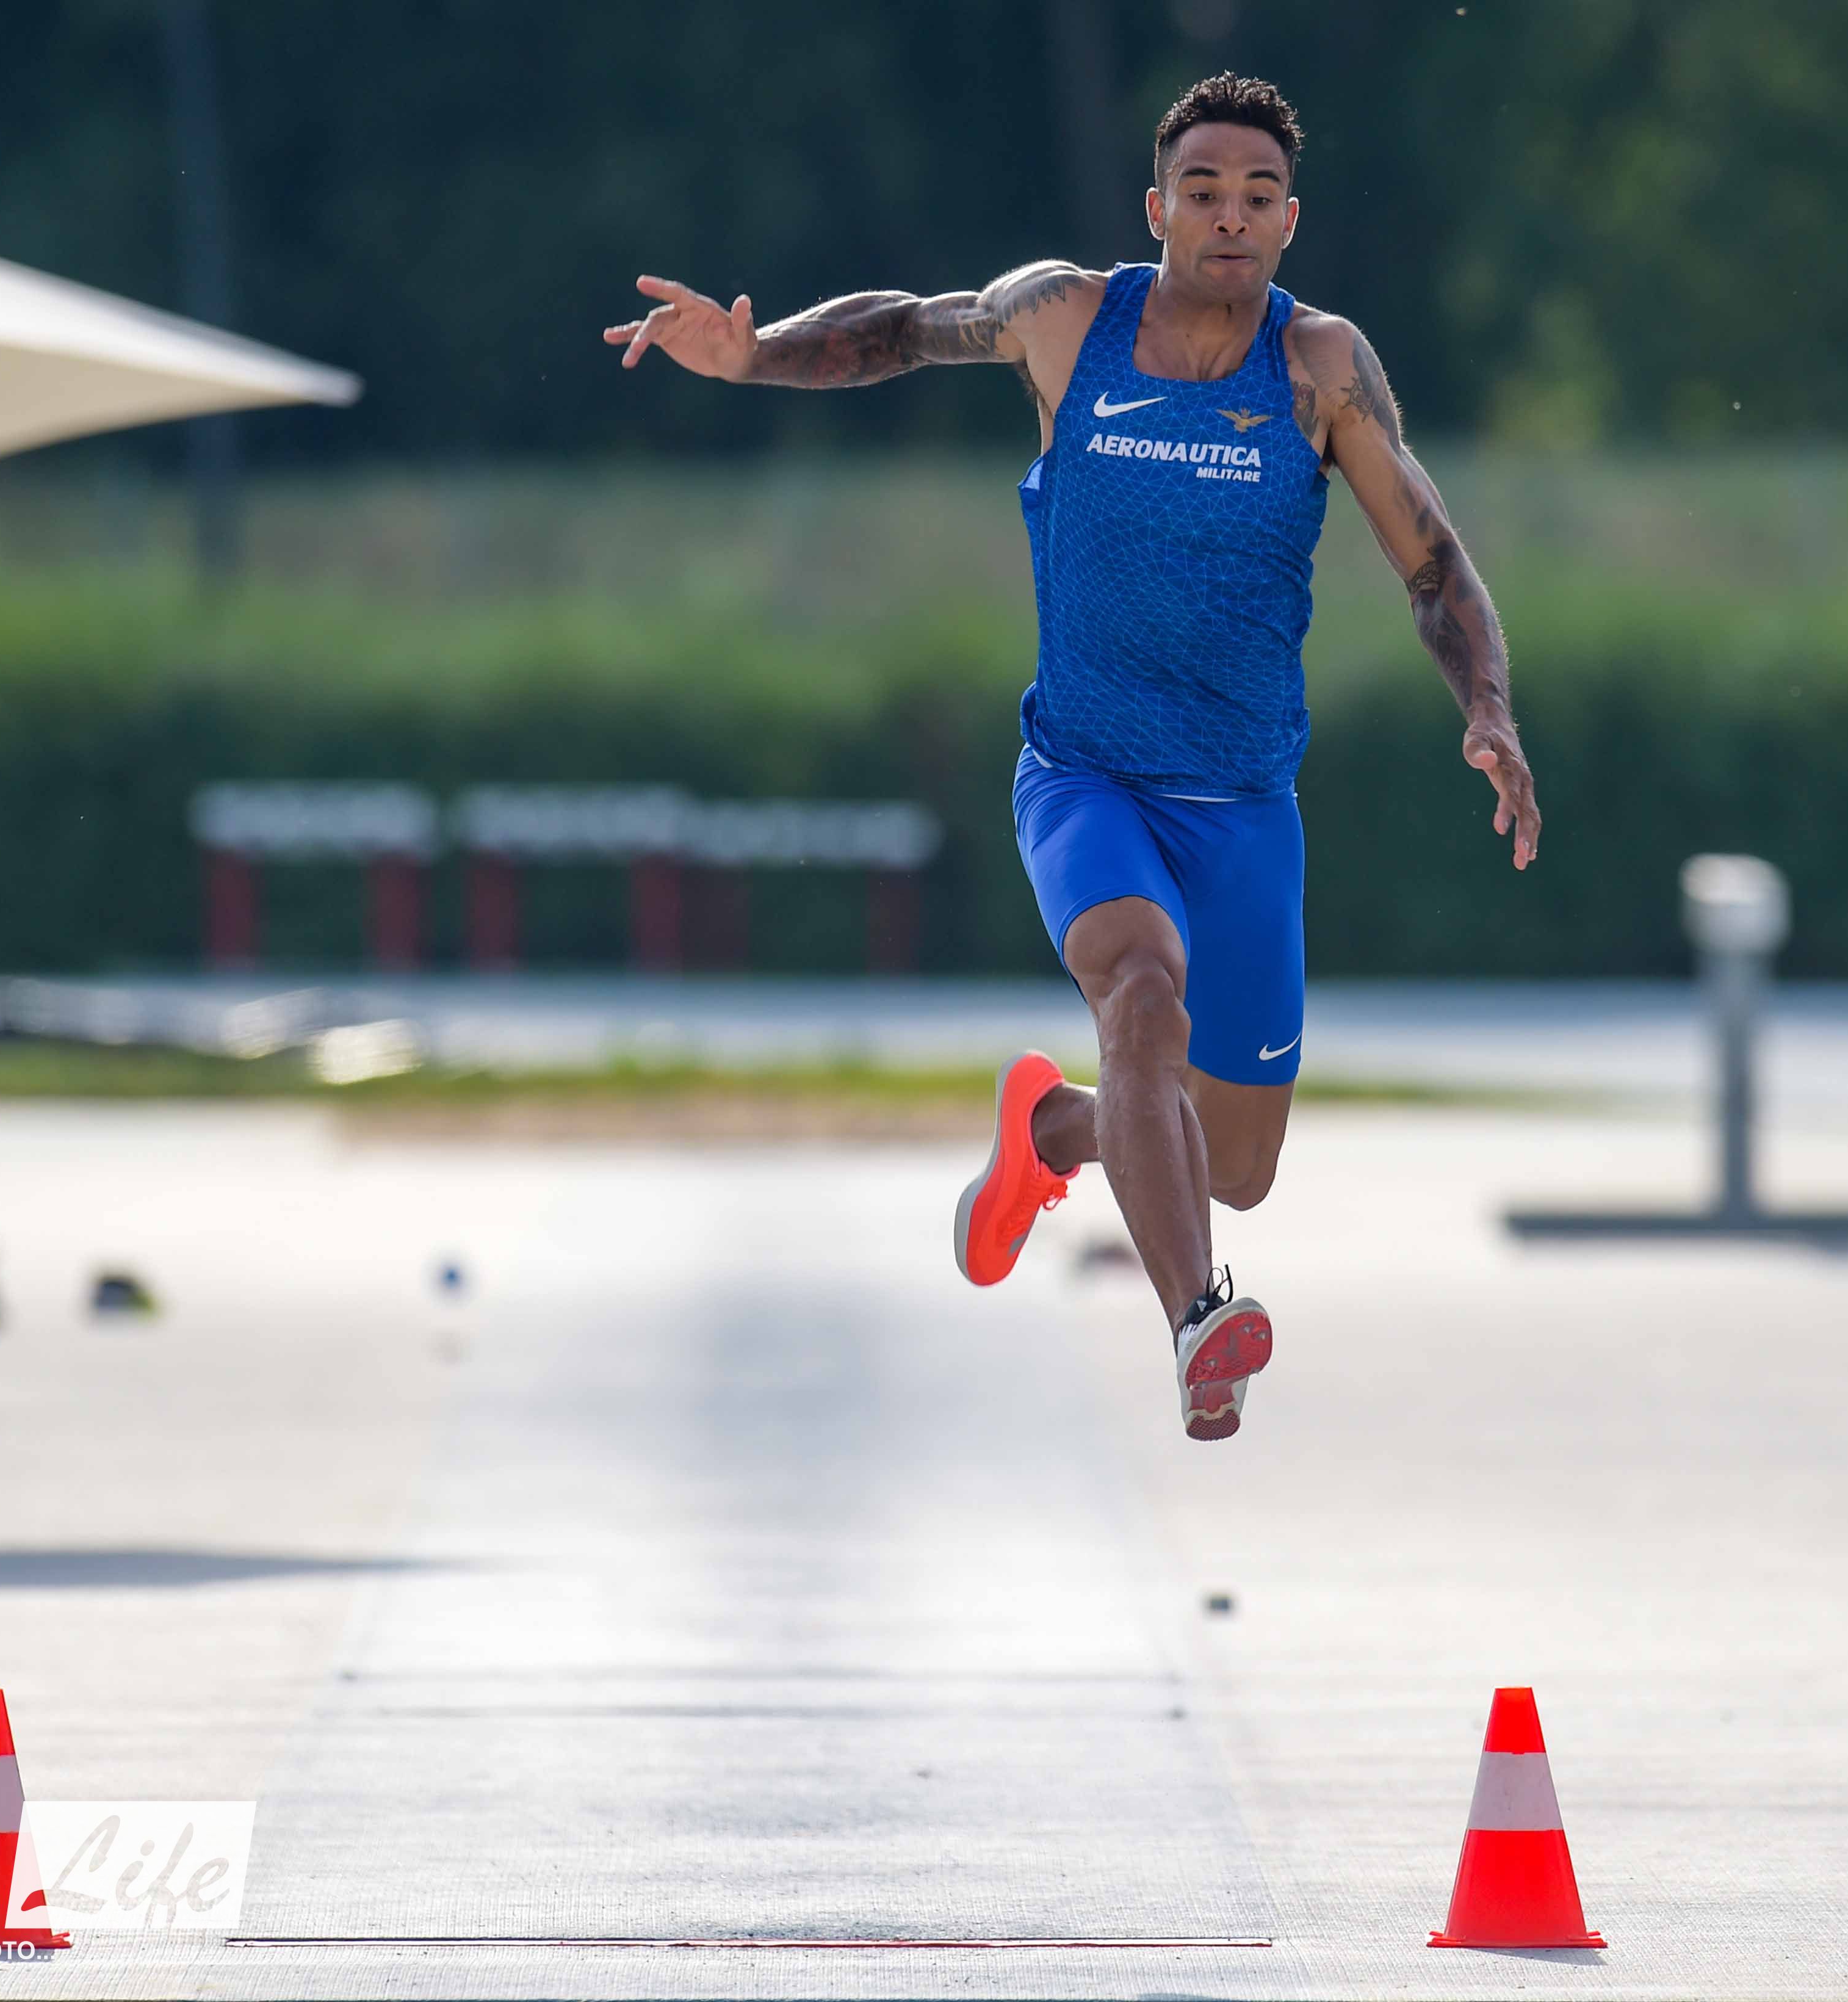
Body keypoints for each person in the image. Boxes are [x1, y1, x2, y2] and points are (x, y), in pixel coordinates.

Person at [606, 74, 1539, 1440]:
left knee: (1235, 1163)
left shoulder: (1319, 367)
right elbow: (904, 329)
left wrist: (1489, 709)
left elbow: (1434, 562)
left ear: (1289, 222)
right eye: (1203, 193)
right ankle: (1198, 1322)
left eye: (1258, 197)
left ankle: (1050, 1131)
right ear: (1156, 209)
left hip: (1243, 805)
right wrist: (751, 357)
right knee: (1141, 996)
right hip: (1086, 778)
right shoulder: (1064, 317)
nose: (1230, 218)